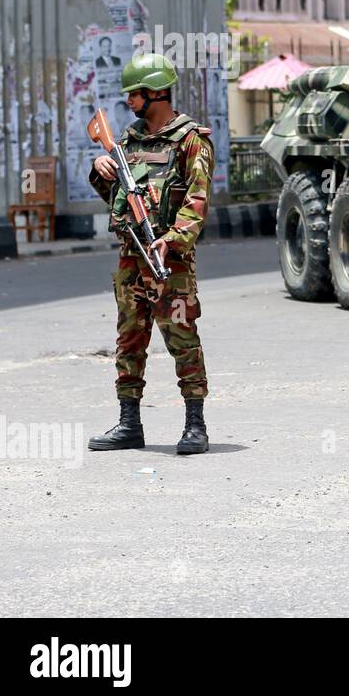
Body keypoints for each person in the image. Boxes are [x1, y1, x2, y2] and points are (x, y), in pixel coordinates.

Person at [87, 53, 215, 455]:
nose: (129, 100)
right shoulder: (127, 142)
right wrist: (102, 166)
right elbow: (118, 199)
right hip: (130, 259)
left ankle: (195, 424)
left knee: (182, 338)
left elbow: (197, 201)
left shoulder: (191, 139)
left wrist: (173, 239)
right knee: (129, 341)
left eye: (135, 93)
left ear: (155, 92)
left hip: (169, 262)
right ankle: (129, 424)